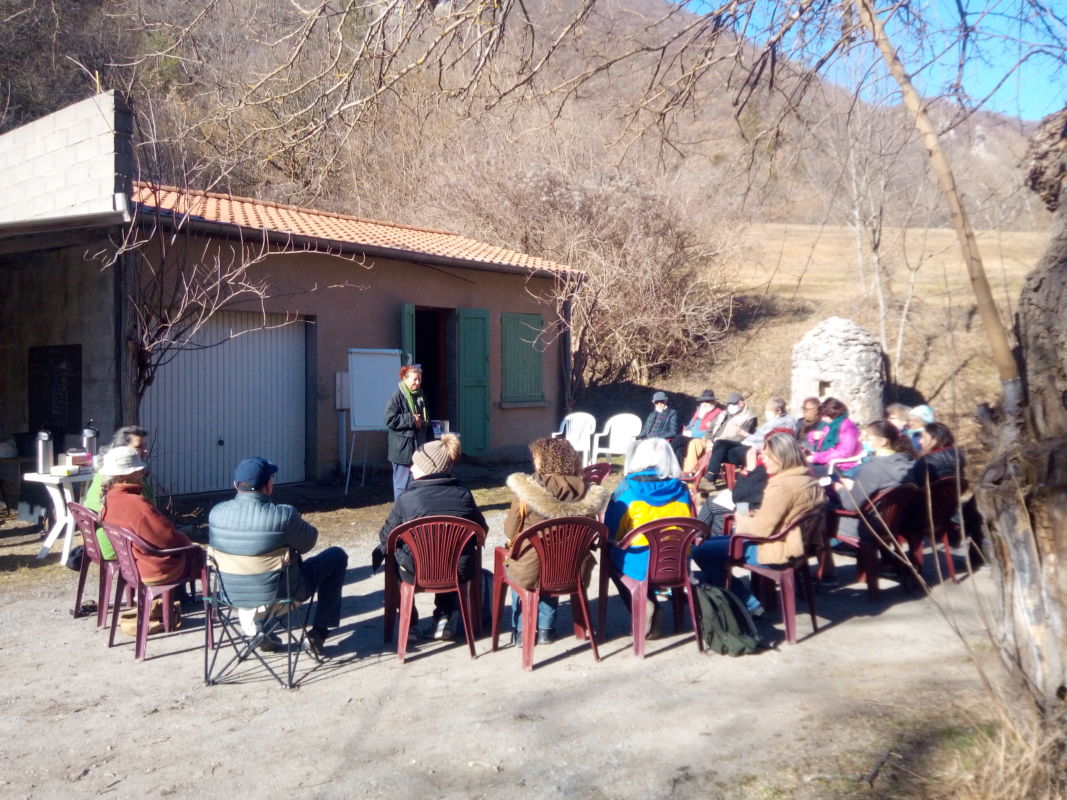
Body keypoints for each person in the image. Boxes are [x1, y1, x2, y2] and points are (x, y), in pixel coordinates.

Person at [208, 457, 349, 656]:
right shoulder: (283, 515)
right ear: (268, 486)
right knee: (336, 556)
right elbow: (309, 543)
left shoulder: (216, 513)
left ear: (235, 485)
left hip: (230, 595)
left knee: (258, 575)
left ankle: (261, 629)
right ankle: (318, 633)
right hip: (279, 595)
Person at [690, 433, 827, 616]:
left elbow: (758, 529)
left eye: (767, 455)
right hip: (797, 545)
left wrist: (741, 517)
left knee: (700, 551)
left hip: (776, 550)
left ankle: (745, 603)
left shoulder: (781, 486)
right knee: (710, 544)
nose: (763, 459)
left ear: (781, 457)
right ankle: (739, 600)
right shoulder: (809, 480)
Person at [375, 434, 486, 641]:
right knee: (448, 554)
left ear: (428, 468)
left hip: (415, 572)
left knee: (397, 558)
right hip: (457, 571)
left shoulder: (406, 500)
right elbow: (481, 530)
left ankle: (410, 623)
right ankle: (445, 616)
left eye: (415, 464)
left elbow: (386, 536)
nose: (410, 469)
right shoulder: (463, 495)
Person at [503, 438, 610, 644]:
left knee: (524, 567)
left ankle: (522, 631)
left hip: (531, 567)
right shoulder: (587, 490)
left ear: (541, 459)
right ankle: (546, 629)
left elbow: (510, 530)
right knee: (555, 562)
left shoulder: (526, 488)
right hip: (571, 567)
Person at [605, 437, 691, 632]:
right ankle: (655, 605)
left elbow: (611, 530)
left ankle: (642, 604)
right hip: (675, 561)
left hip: (639, 563)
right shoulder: (683, 489)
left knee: (611, 559)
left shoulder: (626, 488)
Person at [99, 446, 202, 587]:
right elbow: (166, 538)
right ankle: (207, 599)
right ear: (122, 476)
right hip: (154, 570)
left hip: (131, 564)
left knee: (190, 552)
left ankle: (174, 598)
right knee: (198, 555)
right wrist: (187, 542)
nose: (142, 472)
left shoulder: (109, 498)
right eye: (136, 470)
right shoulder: (137, 504)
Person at [835, 420, 916, 541]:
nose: (861, 440)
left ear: (883, 442)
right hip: (900, 522)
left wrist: (840, 489)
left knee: (821, 516)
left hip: (872, 525)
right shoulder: (909, 461)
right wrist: (855, 487)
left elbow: (851, 506)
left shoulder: (872, 468)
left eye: (868, 438)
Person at [84, 426, 154, 562]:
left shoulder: (104, 473)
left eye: (145, 446)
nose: (145, 450)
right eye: (139, 447)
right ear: (121, 449)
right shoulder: (120, 480)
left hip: (101, 543)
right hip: (118, 546)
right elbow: (145, 517)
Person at [704, 395, 796, 481]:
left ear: (779, 410)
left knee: (722, 453)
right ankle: (712, 473)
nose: (767, 413)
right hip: (748, 442)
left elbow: (765, 438)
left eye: (769, 410)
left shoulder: (786, 421)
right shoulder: (773, 420)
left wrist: (744, 434)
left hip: (757, 448)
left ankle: (712, 472)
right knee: (720, 443)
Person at [385, 364, 431, 500]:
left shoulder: (421, 396)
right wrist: (411, 419)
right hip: (403, 450)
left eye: (419, 379)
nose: (418, 382)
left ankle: (413, 509)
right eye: (414, 379)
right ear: (404, 378)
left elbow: (426, 421)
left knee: (417, 484)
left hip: (419, 449)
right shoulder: (397, 397)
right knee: (402, 486)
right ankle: (401, 511)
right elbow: (390, 420)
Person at [804, 397, 862, 475]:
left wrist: (816, 457)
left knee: (804, 470)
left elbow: (843, 453)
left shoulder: (849, 428)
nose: (822, 419)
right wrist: (812, 436)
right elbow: (817, 444)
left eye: (824, 416)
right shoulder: (831, 425)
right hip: (826, 461)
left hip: (841, 467)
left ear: (832, 415)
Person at [903, 421, 964, 486]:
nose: (920, 441)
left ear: (935, 440)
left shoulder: (926, 463)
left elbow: (914, 485)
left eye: (924, 437)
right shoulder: (957, 454)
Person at [673, 389, 721, 466]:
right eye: (703, 401)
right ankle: (679, 469)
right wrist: (687, 431)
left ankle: (664, 458)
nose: (705, 403)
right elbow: (690, 425)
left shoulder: (718, 413)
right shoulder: (699, 411)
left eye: (708, 401)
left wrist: (692, 433)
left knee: (678, 439)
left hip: (703, 439)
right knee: (679, 449)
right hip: (691, 436)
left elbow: (713, 431)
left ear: (713, 402)